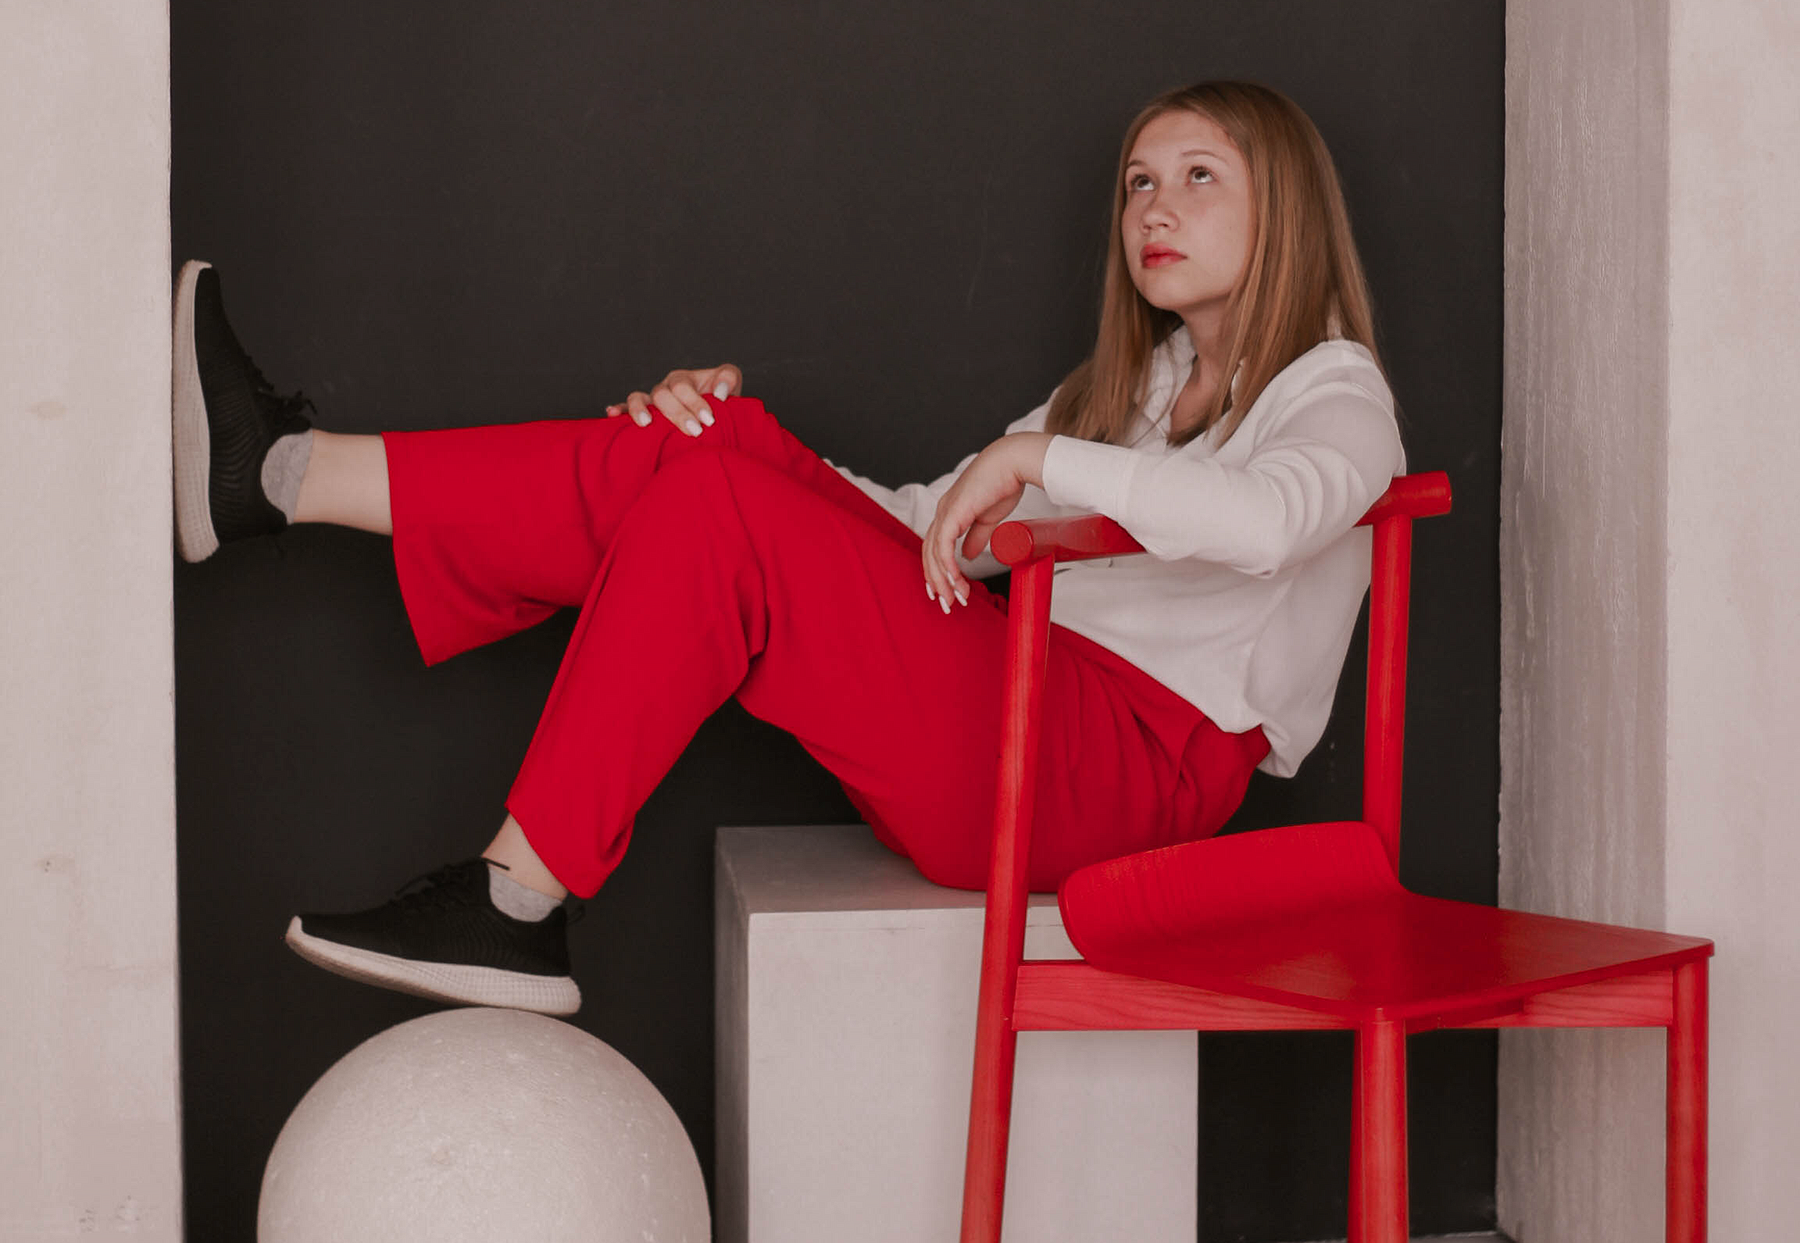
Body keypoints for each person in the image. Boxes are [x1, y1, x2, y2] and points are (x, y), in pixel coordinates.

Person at [173, 80, 1401, 1018]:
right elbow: (929, 528)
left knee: (722, 499)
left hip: (1120, 784)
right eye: (1138, 183)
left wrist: (1036, 458)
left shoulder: (1334, 387)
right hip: (1018, 703)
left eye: (1199, 177)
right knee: (712, 447)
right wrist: (734, 453)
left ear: (1283, 209)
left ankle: (513, 899)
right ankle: (275, 475)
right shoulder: (1138, 384)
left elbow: (1272, 521)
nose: (1155, 209)